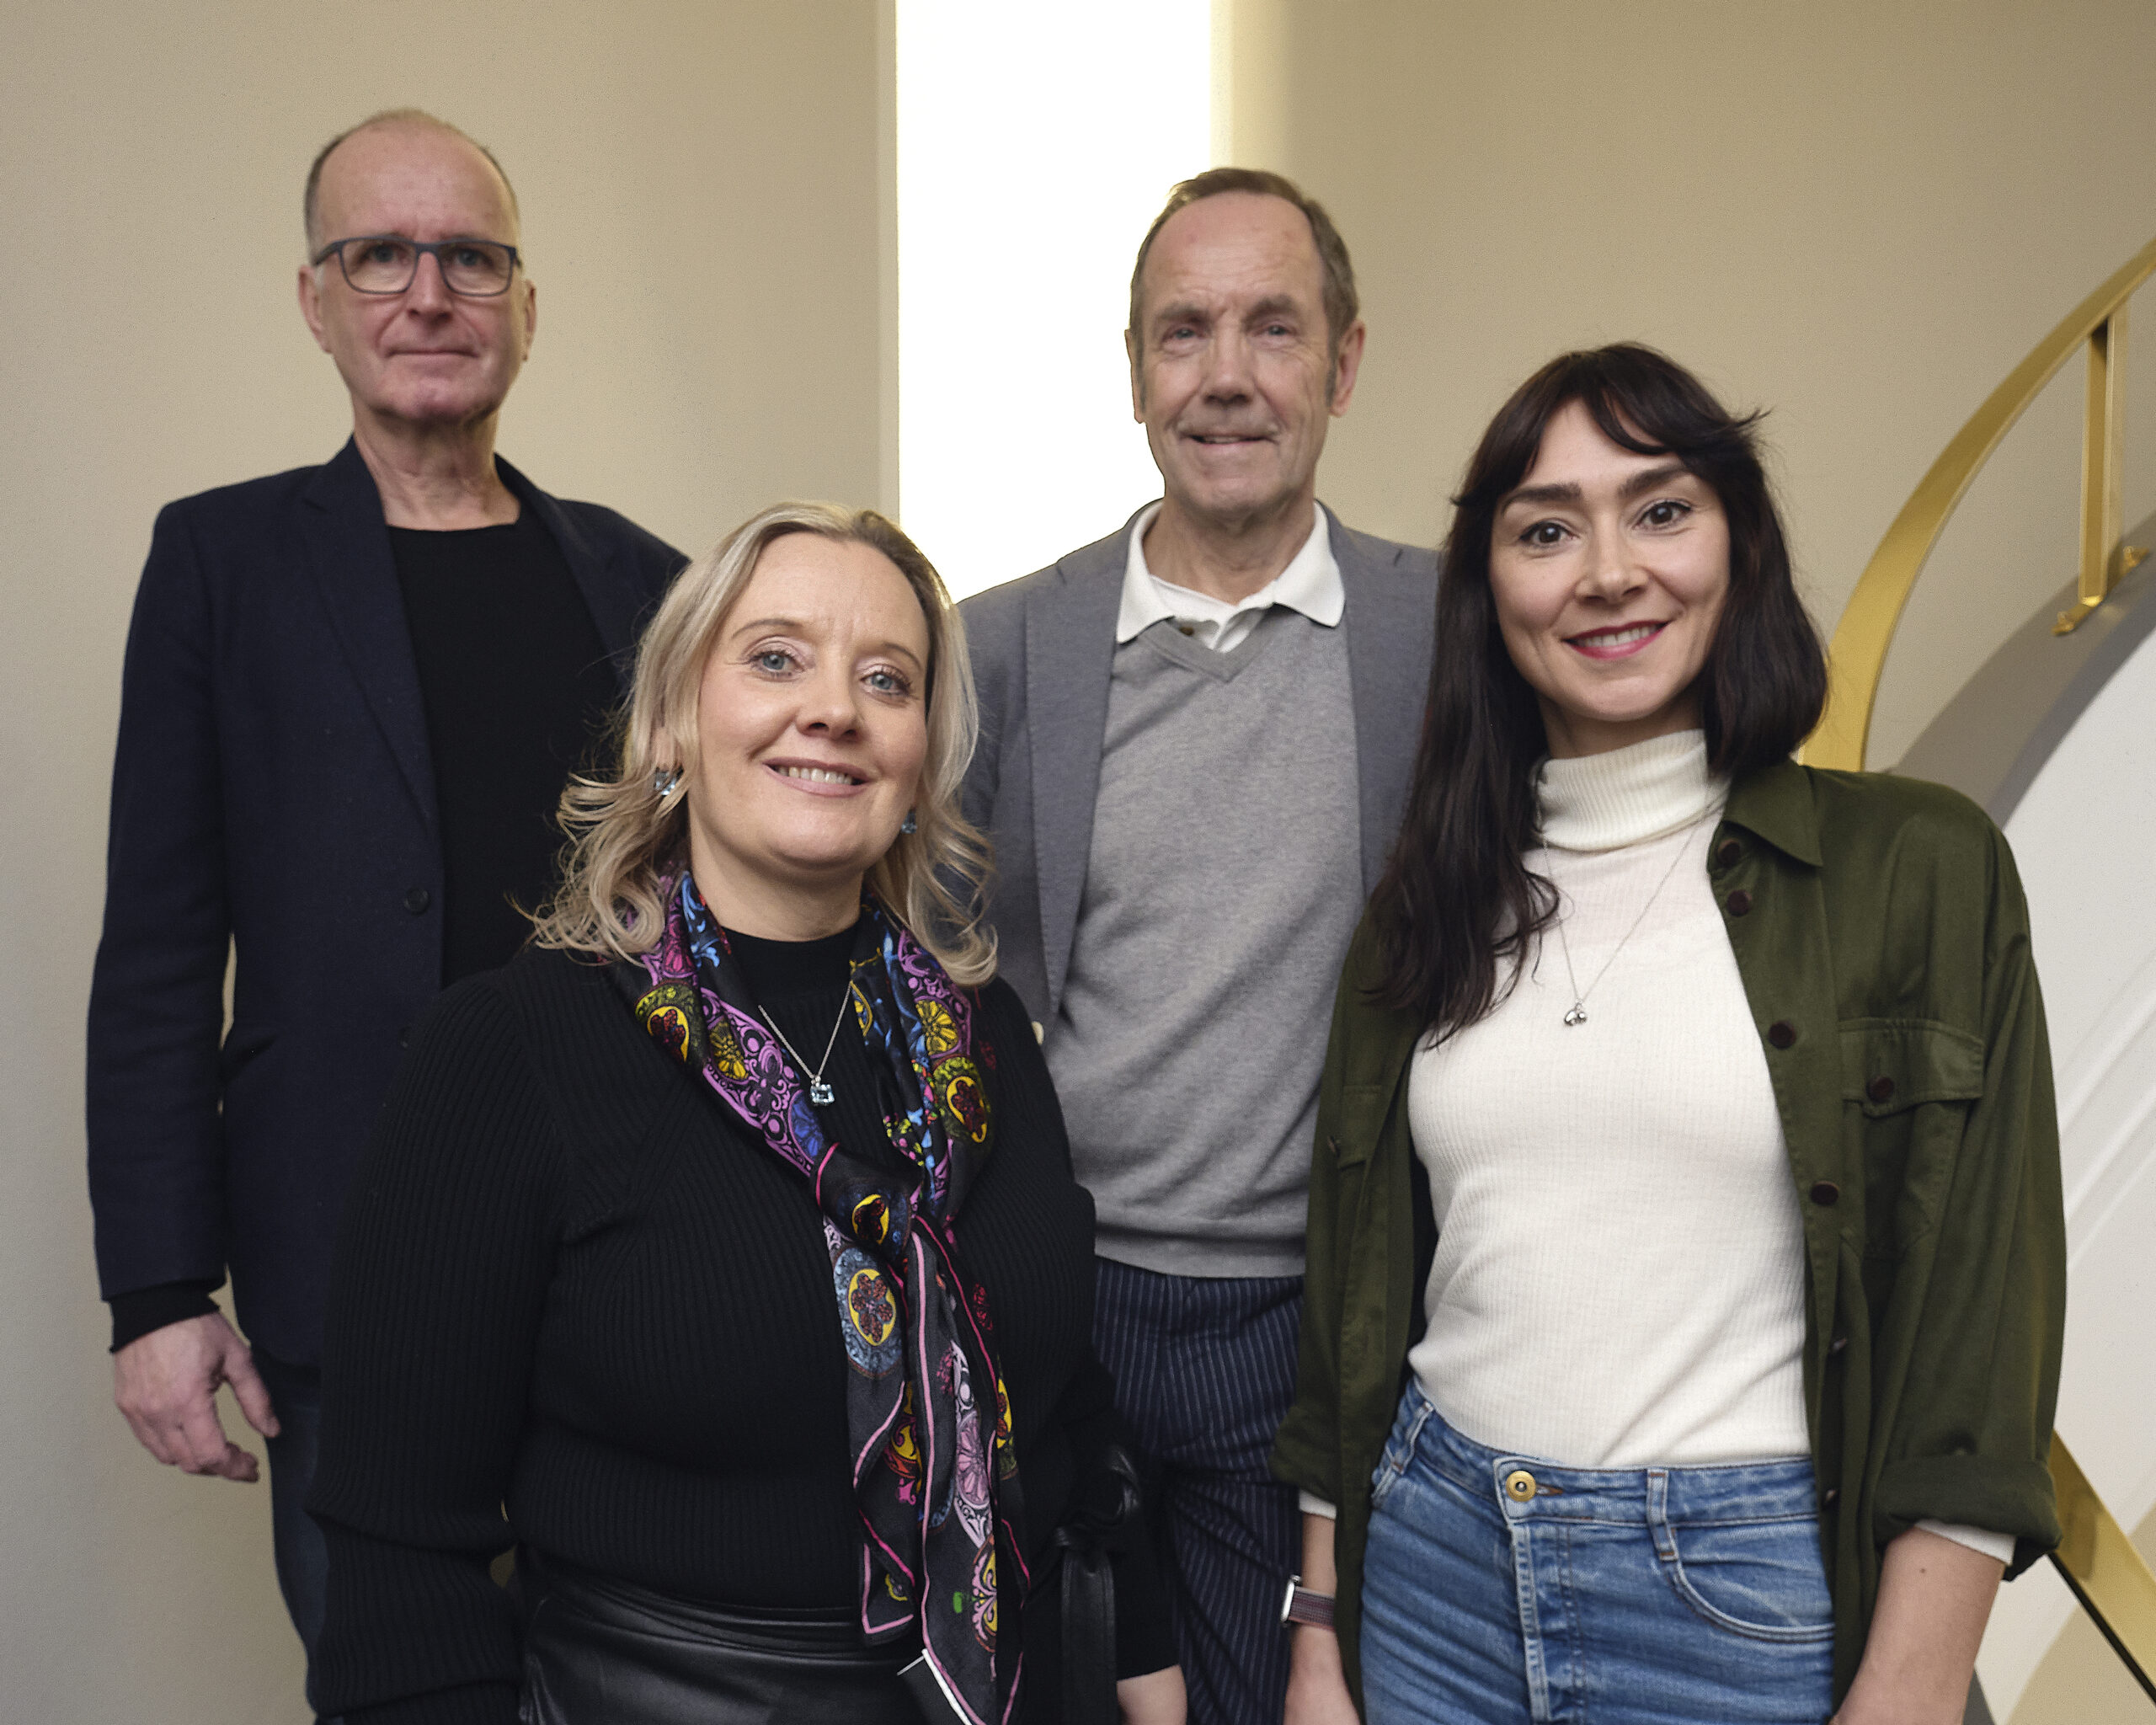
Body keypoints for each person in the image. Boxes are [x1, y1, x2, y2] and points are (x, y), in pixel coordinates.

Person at [1273, 344, 2066, 1724]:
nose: (1606, 572)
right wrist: (1320, 1641)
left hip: (1743, 1596)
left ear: (1738, 544)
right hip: (1434, 1567)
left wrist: (1915, 1686)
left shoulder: (1918, 870)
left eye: (1659, 510)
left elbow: (1979, 1328)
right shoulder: (1426, 909)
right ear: (1491, 591)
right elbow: (1355, 1297)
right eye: (1544, 530)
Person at [306, 503, 1187, 1725]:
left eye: (887, 679)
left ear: (921, 761)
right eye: (775, 658)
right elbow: (399, 1539)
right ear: (672, 722)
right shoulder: (508, 1053)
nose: (833, 707)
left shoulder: (984, 1040)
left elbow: (1055, 1390)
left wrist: (1147, 1663)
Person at [84, 107, 684, 1704]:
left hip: (616, 1273)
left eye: (470, 257)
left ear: (526, 306)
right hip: (341, 1281)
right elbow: (156, 953)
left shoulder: (648, 587)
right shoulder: (219, 566)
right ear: (318, 298)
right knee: (398, 1689)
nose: (429, 291)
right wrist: (158, 1294)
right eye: (381, 255)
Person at [959, 167, 1437, 1724]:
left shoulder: (1447, 642)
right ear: (1136, 371)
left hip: (1306, 1326)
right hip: (1059, 1298)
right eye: (1184, 333)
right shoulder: (999, 648)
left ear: (1344, 364)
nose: (1226, 374)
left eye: (1272, 329)